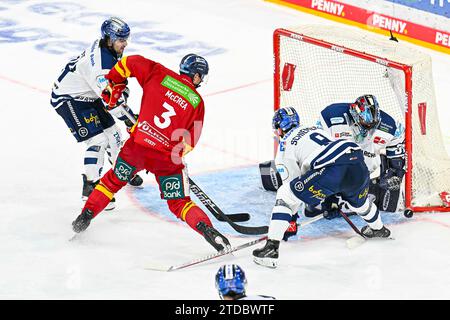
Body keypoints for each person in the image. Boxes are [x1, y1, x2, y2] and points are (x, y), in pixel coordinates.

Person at [71, 53, 231, 252]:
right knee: (180, 203)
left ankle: (85, 215)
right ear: (196, 76)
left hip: (136, 149)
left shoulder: (159, 73)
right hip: (165, 160)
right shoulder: (197, 102)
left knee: (111, 182)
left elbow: (130, 62)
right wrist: (171, 154)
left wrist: (114, 82)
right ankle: (208, 231)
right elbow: (190, 143)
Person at [252, 107, 391, 268]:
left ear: (279, 129)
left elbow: (295, 185)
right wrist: (330, 198)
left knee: (285, 195)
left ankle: (271, 249)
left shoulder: (284, 147)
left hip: (331, 169)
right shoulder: (315, 128)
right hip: (356, 161)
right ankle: (379, 229)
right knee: (359, 203)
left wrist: (291, 218)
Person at [51, 17, 143, 210]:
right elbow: (112, 103)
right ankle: (90, 187)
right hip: (69, 99)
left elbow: (114, 92)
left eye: (125, 39)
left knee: (114, 135)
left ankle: (122, 171)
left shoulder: (107, 48)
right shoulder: (100, 67)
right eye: (120, 39)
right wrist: (131, 121)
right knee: (98, 140)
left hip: (89, 94)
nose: (124, 44)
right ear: (109, 38)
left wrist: (128, 116)